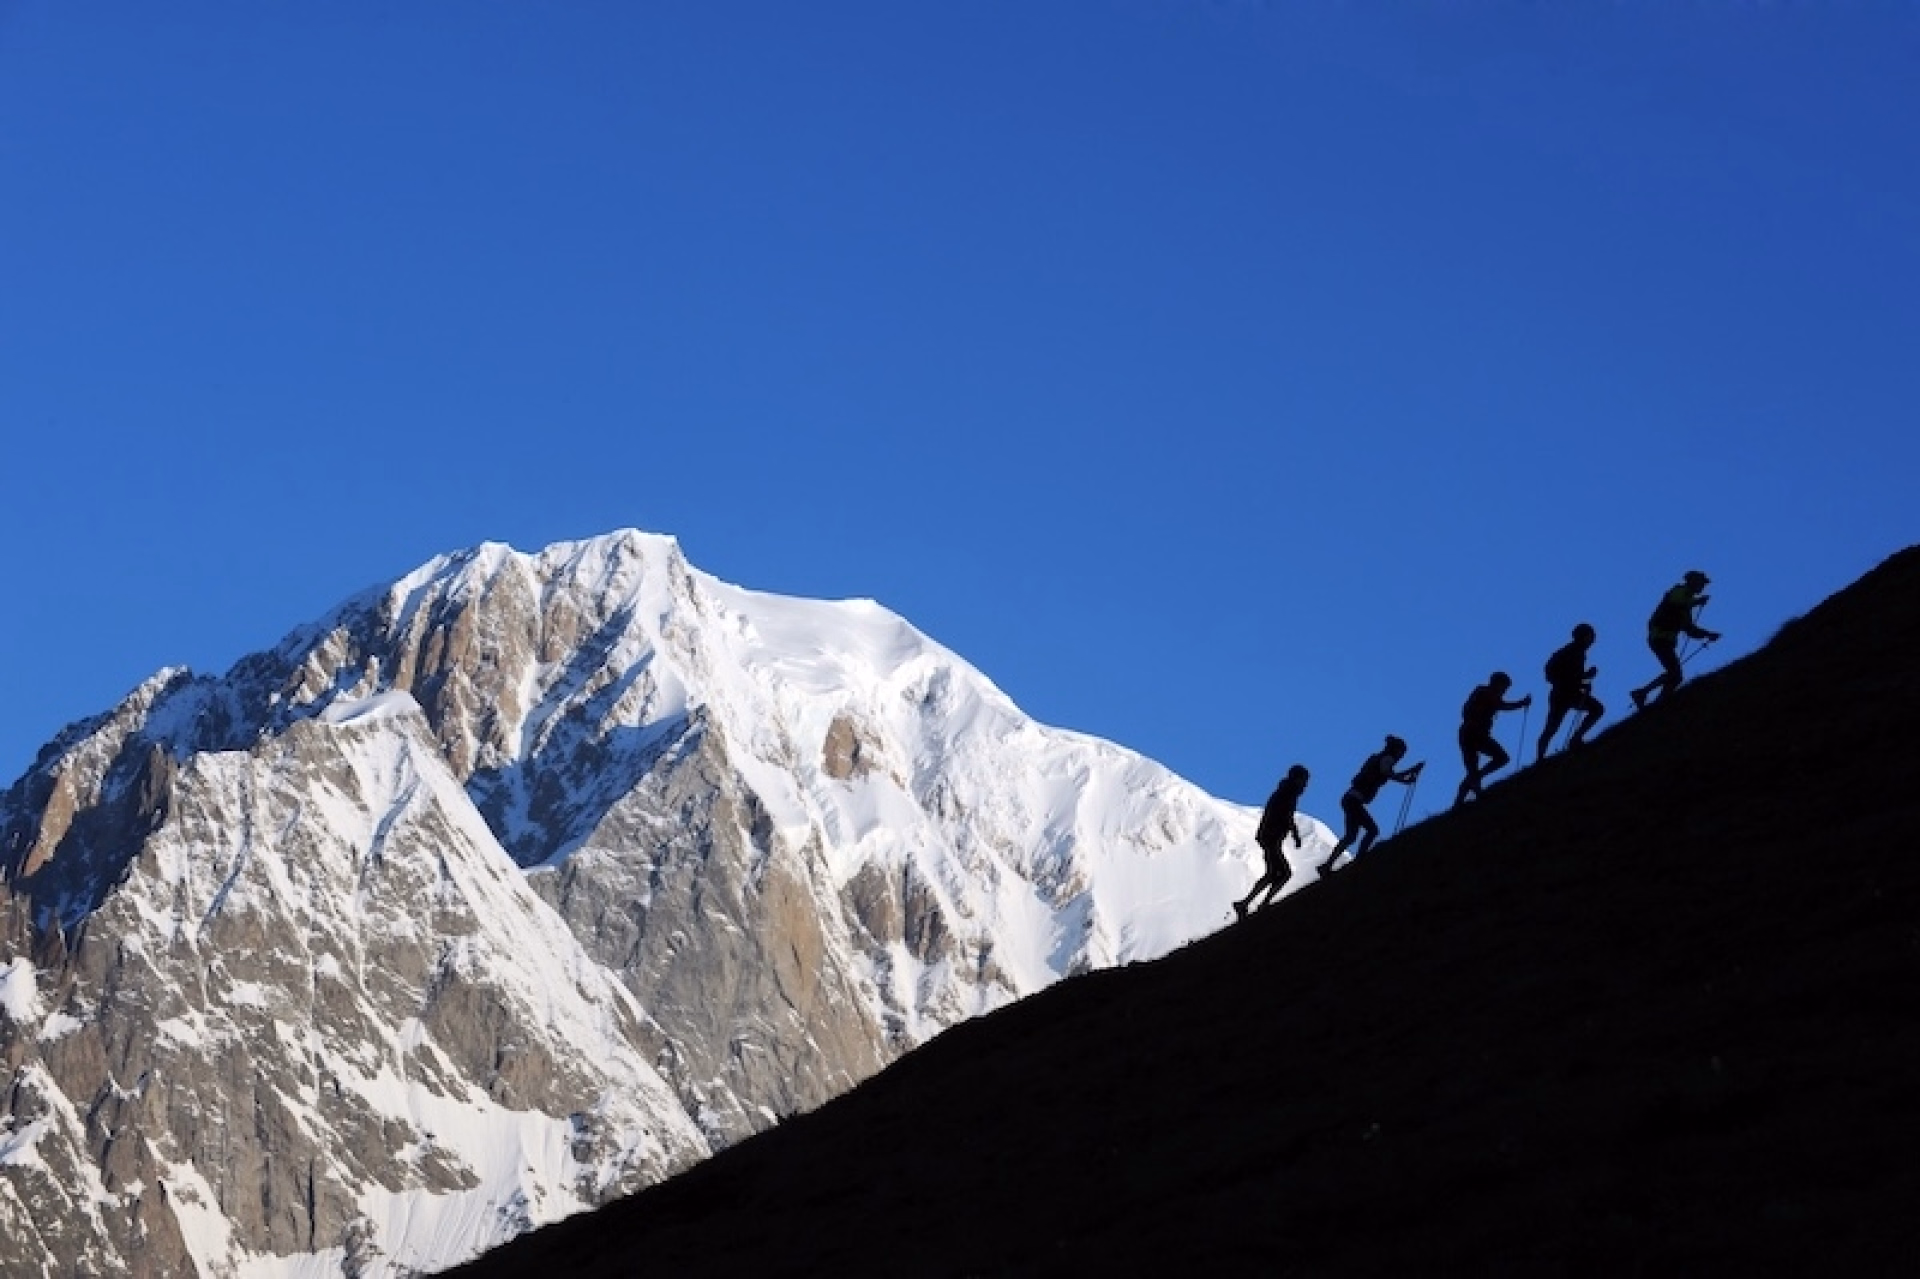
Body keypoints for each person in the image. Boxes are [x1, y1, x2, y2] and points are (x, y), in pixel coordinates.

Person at [1324, 736, 1422, 873]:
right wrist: (1410, 773)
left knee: (1351, 836)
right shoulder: (1388, 759)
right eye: (1401, 752)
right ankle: (1359, 860)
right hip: (1355, 801)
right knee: (1372, 830)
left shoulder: (1377, 758)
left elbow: (1388, 774)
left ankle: (1327, 865)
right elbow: (1388, 774)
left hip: (1350, 798)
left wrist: (1408, 775)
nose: (1401, 756)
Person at [1631, 570, 1722, 709]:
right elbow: (1677, 602)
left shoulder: (1685, 604)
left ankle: (1650, 698)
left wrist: (1707, 634)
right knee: (1675, 674)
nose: (1703, 586)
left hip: (1662, 639)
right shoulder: (1680, 592)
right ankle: (1647, 696)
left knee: (1675, 675)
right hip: (1660, 638)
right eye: (1701, 583)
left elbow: (1689, 628)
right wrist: (1697, 602)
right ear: (1693, 582)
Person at [1235, 765, 1310, 919]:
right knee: (1283, 873)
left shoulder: (1283, 792)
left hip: (1269, 837)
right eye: (1304, 781)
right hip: (1272, 837)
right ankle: (1258, 904)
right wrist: (1295, 834)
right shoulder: (1288, 794)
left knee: (1272, 873)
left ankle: (1247, 904)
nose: (1305, 785)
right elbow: (1286, 816)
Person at [1454, 672, 1531, 807]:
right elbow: (1502, 705)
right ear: (1498, 684)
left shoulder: (1481, 692)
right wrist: (1521, 703)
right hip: (1474, 733)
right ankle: (1471, 791)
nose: (1504, 691)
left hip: (1469, 733)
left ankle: (1467, 793)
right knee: (1499, 758)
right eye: (1504, 688)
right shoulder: (1487, 693)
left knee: (1475, 766)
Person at [1537, 623, 1604, 761]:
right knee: (1552, 727)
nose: (1592, 641)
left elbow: (1572, 675)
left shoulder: (1573, 652)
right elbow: (1567, 676)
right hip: (1563, 694)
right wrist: (1583, 680)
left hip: (1565, 693)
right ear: (1584, 637)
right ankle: (1543, 756)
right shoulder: (1572, 653)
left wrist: (1584, 678)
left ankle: (1574, 740)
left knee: (1552, 727)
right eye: (1591, 637)